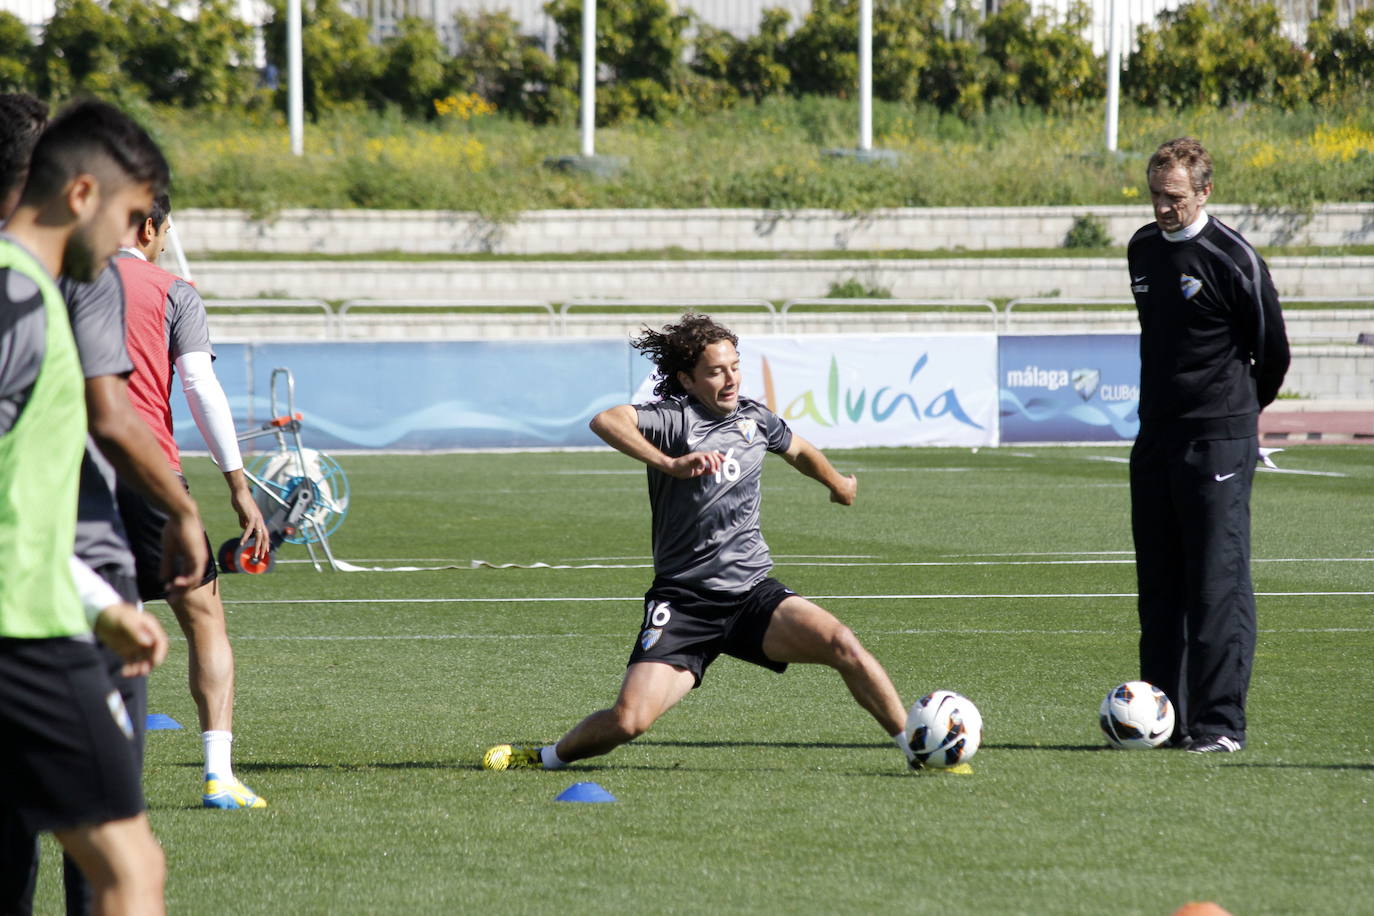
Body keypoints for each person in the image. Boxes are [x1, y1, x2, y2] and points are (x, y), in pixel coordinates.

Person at [483, 312, 919, 772]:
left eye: (735, 366)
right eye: (715, 371)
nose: (730, 379)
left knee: (843, 644)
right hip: (685, 603)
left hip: (753, 597)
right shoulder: (674, 421)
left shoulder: (755, 419)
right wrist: (669, 465)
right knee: (629, 721)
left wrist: (837, 484)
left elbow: (802, 451)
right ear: (687, 379)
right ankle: (547, 756)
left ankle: (916, 748)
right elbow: (605, 421)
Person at [0, 92, 212, 915]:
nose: (134, 240)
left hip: (55, 607)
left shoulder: (43, 293)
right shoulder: (22, 301)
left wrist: (99, 601)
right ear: (81, 194)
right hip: (26, 636)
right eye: (129, 214)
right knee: (130, 871)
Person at [1127, 137, 1290, 753]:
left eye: (1174, 197)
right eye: (1155, 196)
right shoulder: (1141, 248)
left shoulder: (1233, 257)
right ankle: (1162, 718)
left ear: (1204, 192)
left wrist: (1236, 415)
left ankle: (1220, 725)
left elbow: (1271, 350)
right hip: (1156, 441)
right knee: (1159, 586)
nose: (1163, 208)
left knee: (1216, 585)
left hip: (1217, 442)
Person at [114, 193, 271, 809]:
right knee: (204, 621)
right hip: (153, 476)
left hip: (71, 477)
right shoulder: (172, 291)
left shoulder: (59, 281)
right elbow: (200, 386)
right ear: (149, 226)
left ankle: (101, 772)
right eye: (163, 230)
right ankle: (218, 774)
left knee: (97, 625)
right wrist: (238, 486)